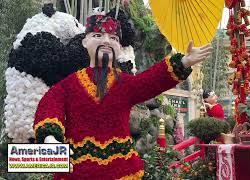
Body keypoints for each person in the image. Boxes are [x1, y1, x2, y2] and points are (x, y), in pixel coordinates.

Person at [33, 12, 213, 179]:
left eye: (113, 38)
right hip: (77, 170)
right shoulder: (68, 85)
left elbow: (151, 80)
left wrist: (184, 61)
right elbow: (49, 107)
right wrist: (50, 138)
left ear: (119, 46)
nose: (106, 41)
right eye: (97, 36)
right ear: (84, 42)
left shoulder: (125, 84)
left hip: (122, 170)